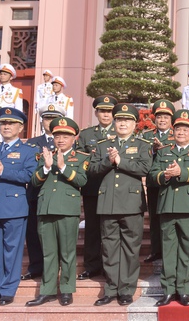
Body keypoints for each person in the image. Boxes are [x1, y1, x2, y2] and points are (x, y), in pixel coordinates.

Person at [89, 103, 152, 306]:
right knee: (109, 247)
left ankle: (126, 289)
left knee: (131, 248)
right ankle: (110, 289)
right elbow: (92, 169)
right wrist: (109, 160)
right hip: (108, 202)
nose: (122, 123)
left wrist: (120, 161)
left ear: (135, 123)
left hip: (132, 203)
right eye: (119, 119)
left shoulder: (143, 145)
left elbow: (145, 168)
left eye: (127, 120)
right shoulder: (102, 145)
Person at [26, 117, 89, 307]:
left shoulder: (81, 157)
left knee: (67, 253)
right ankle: (48, 291)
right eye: (57, 136)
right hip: (45, 208)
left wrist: (62, 167)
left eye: (65, 136)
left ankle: (67, 289)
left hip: (67, 210)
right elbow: (35, 182)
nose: (61, 139)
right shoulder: (45, 156)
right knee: (48, 252)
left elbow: (82, 181)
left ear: (74, 138)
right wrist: (46, 166)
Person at [0, 108, 36, 306]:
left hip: (14, 206)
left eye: (11, 124)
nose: (6, 127)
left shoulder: (28, 150)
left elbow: (29, 176)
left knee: (12, 250)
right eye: (3, 123)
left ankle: (8, 290)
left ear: (20, 127)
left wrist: (2, 171)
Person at [148, 109, 189, 307]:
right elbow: (151, 175)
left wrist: (182, 172)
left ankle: (183, 290)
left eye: (186, 129)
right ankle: (168, 290)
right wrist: (163, 176)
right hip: (166, 206)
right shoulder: (164, 151)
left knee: (187, 251)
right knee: (168, 250)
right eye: (178, 129)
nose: (181, 132)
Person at [22, 103, 67, 282]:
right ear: (41, 121)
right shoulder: (33, 143)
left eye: (53, 118)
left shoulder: (66, 140)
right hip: (36, 192)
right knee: (33, 232)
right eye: (47, 118)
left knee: (57, 236)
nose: (49, 121)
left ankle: (58, 269)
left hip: (58, 194)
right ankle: (35, 267)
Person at [75, 95, 117, 280]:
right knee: (92, 228)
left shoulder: (121, 132)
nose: (106, 115)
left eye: (109, 111)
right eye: (102, 111)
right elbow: (82, 160)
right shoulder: (86, 134)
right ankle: (92, 266)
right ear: (96, 112)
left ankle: (111, 268)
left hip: (114, 188)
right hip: (92, 187)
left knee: (111, 229)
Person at [142, 100, 176, 263]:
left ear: (171, 119)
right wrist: (153, 151)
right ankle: (156, 250)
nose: (162, 120)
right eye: (159, 117)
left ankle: (170, 251)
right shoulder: (147, 135)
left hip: (172, 182)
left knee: (169, 217)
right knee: (155, 218)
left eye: (165, 117)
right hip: (154, 182)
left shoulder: (177, 133)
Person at [0, 64, 24, 144]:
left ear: (11, 77)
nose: (2, 76)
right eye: (1, 74)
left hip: (8, 122)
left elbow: (19, 110)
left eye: (5, 74)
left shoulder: (16, 91)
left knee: (8, 144)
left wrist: (17, 124)